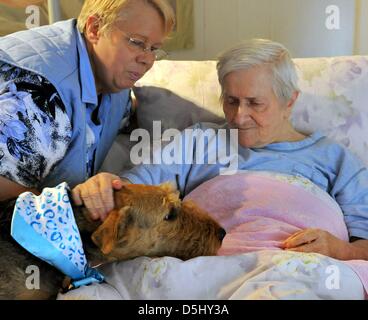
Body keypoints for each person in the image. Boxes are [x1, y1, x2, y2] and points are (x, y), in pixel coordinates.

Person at [73, 39, 368, 261]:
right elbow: (137, 185)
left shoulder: (334, 158)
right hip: (205, 261)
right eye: (231, 101)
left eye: (254, 103)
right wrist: (105, 185)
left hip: (294, 264)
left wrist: (340, 250)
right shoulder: (200, 140)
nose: (239, 116)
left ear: (289, 101)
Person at [0, 0, 175, 201]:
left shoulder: (115, 82)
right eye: (137, 42)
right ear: (95, 29)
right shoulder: (39, 95)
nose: (148, 59)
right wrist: (70, 210)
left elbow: (125, 117)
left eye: (154, 48)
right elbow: (3, 192)